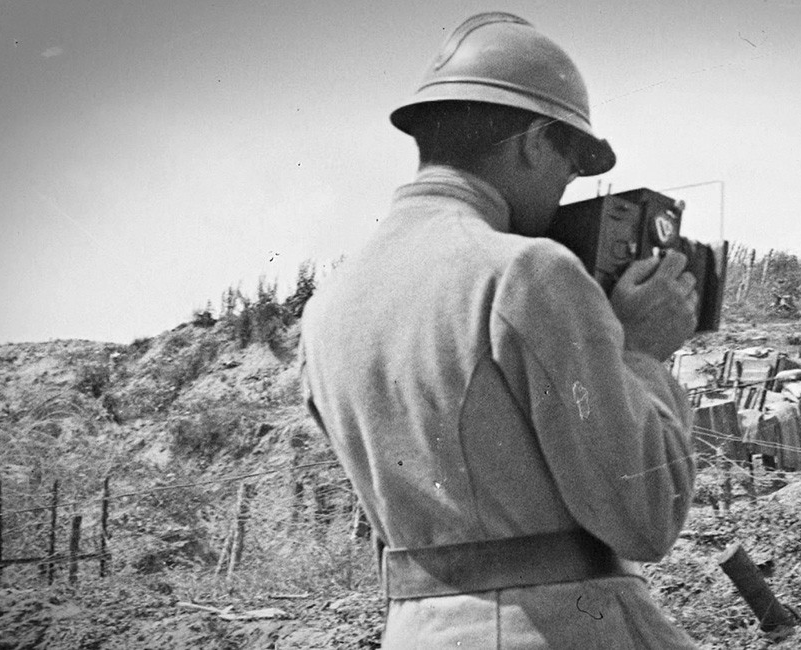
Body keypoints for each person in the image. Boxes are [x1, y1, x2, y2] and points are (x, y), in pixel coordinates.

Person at [298, 12, 701, 649]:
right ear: (535, 142)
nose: (570, 181)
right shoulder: (527, 272)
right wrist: (643, 355)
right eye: (571, 159)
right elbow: (646, 519)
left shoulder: (327, 309)